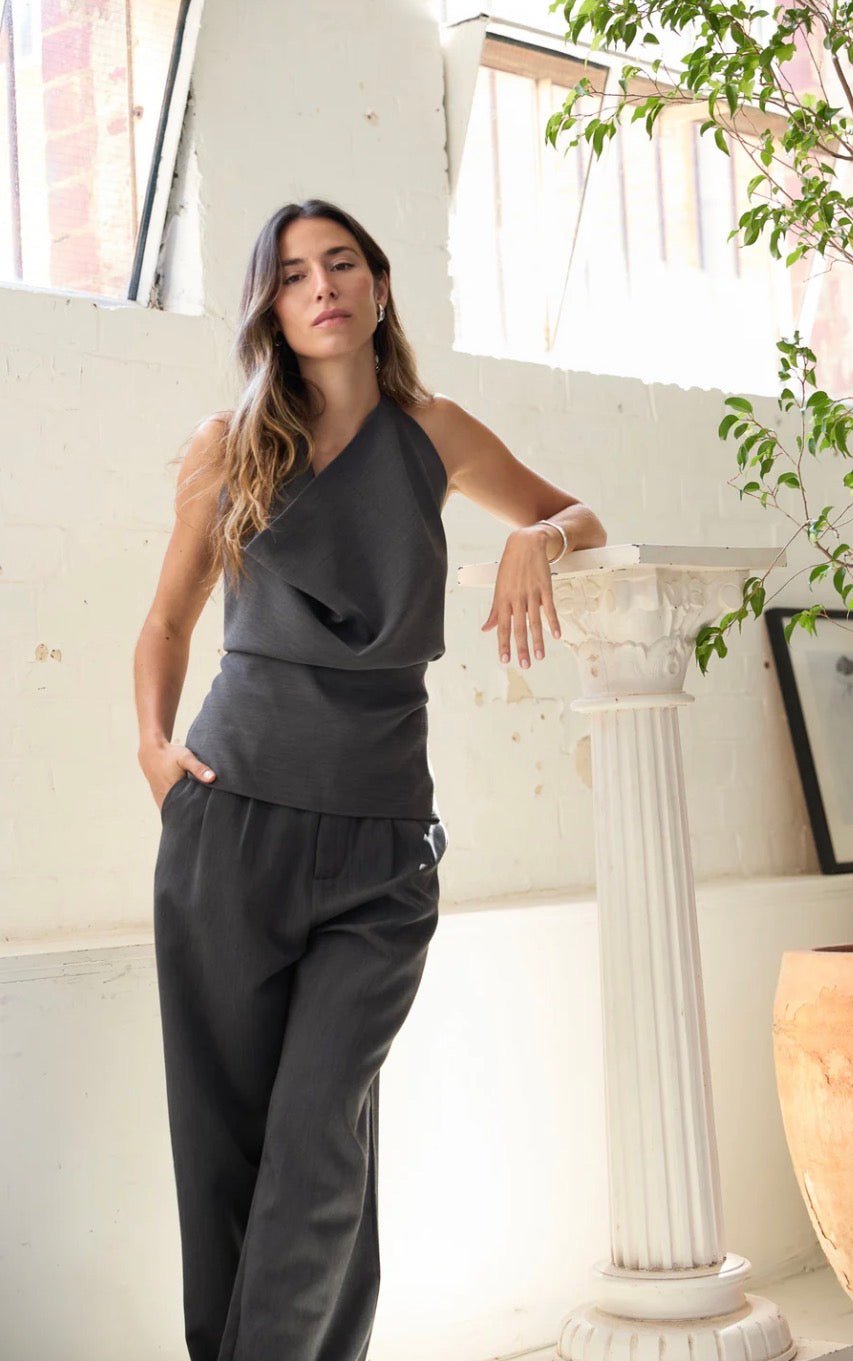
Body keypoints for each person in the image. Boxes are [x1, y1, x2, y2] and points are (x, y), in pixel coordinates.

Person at [133, 197, 606, 1361]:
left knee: (319, 1143)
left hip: (382, 846)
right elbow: (167, 621)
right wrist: (155, 750)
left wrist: (537, 537)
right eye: (295, 274)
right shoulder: (227, 446)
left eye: (341, 263)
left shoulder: (433, 432)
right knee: (226, 1147)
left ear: (380, 286)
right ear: (273, 310)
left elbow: (577, 513)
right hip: (230, 822)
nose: (323, 287)